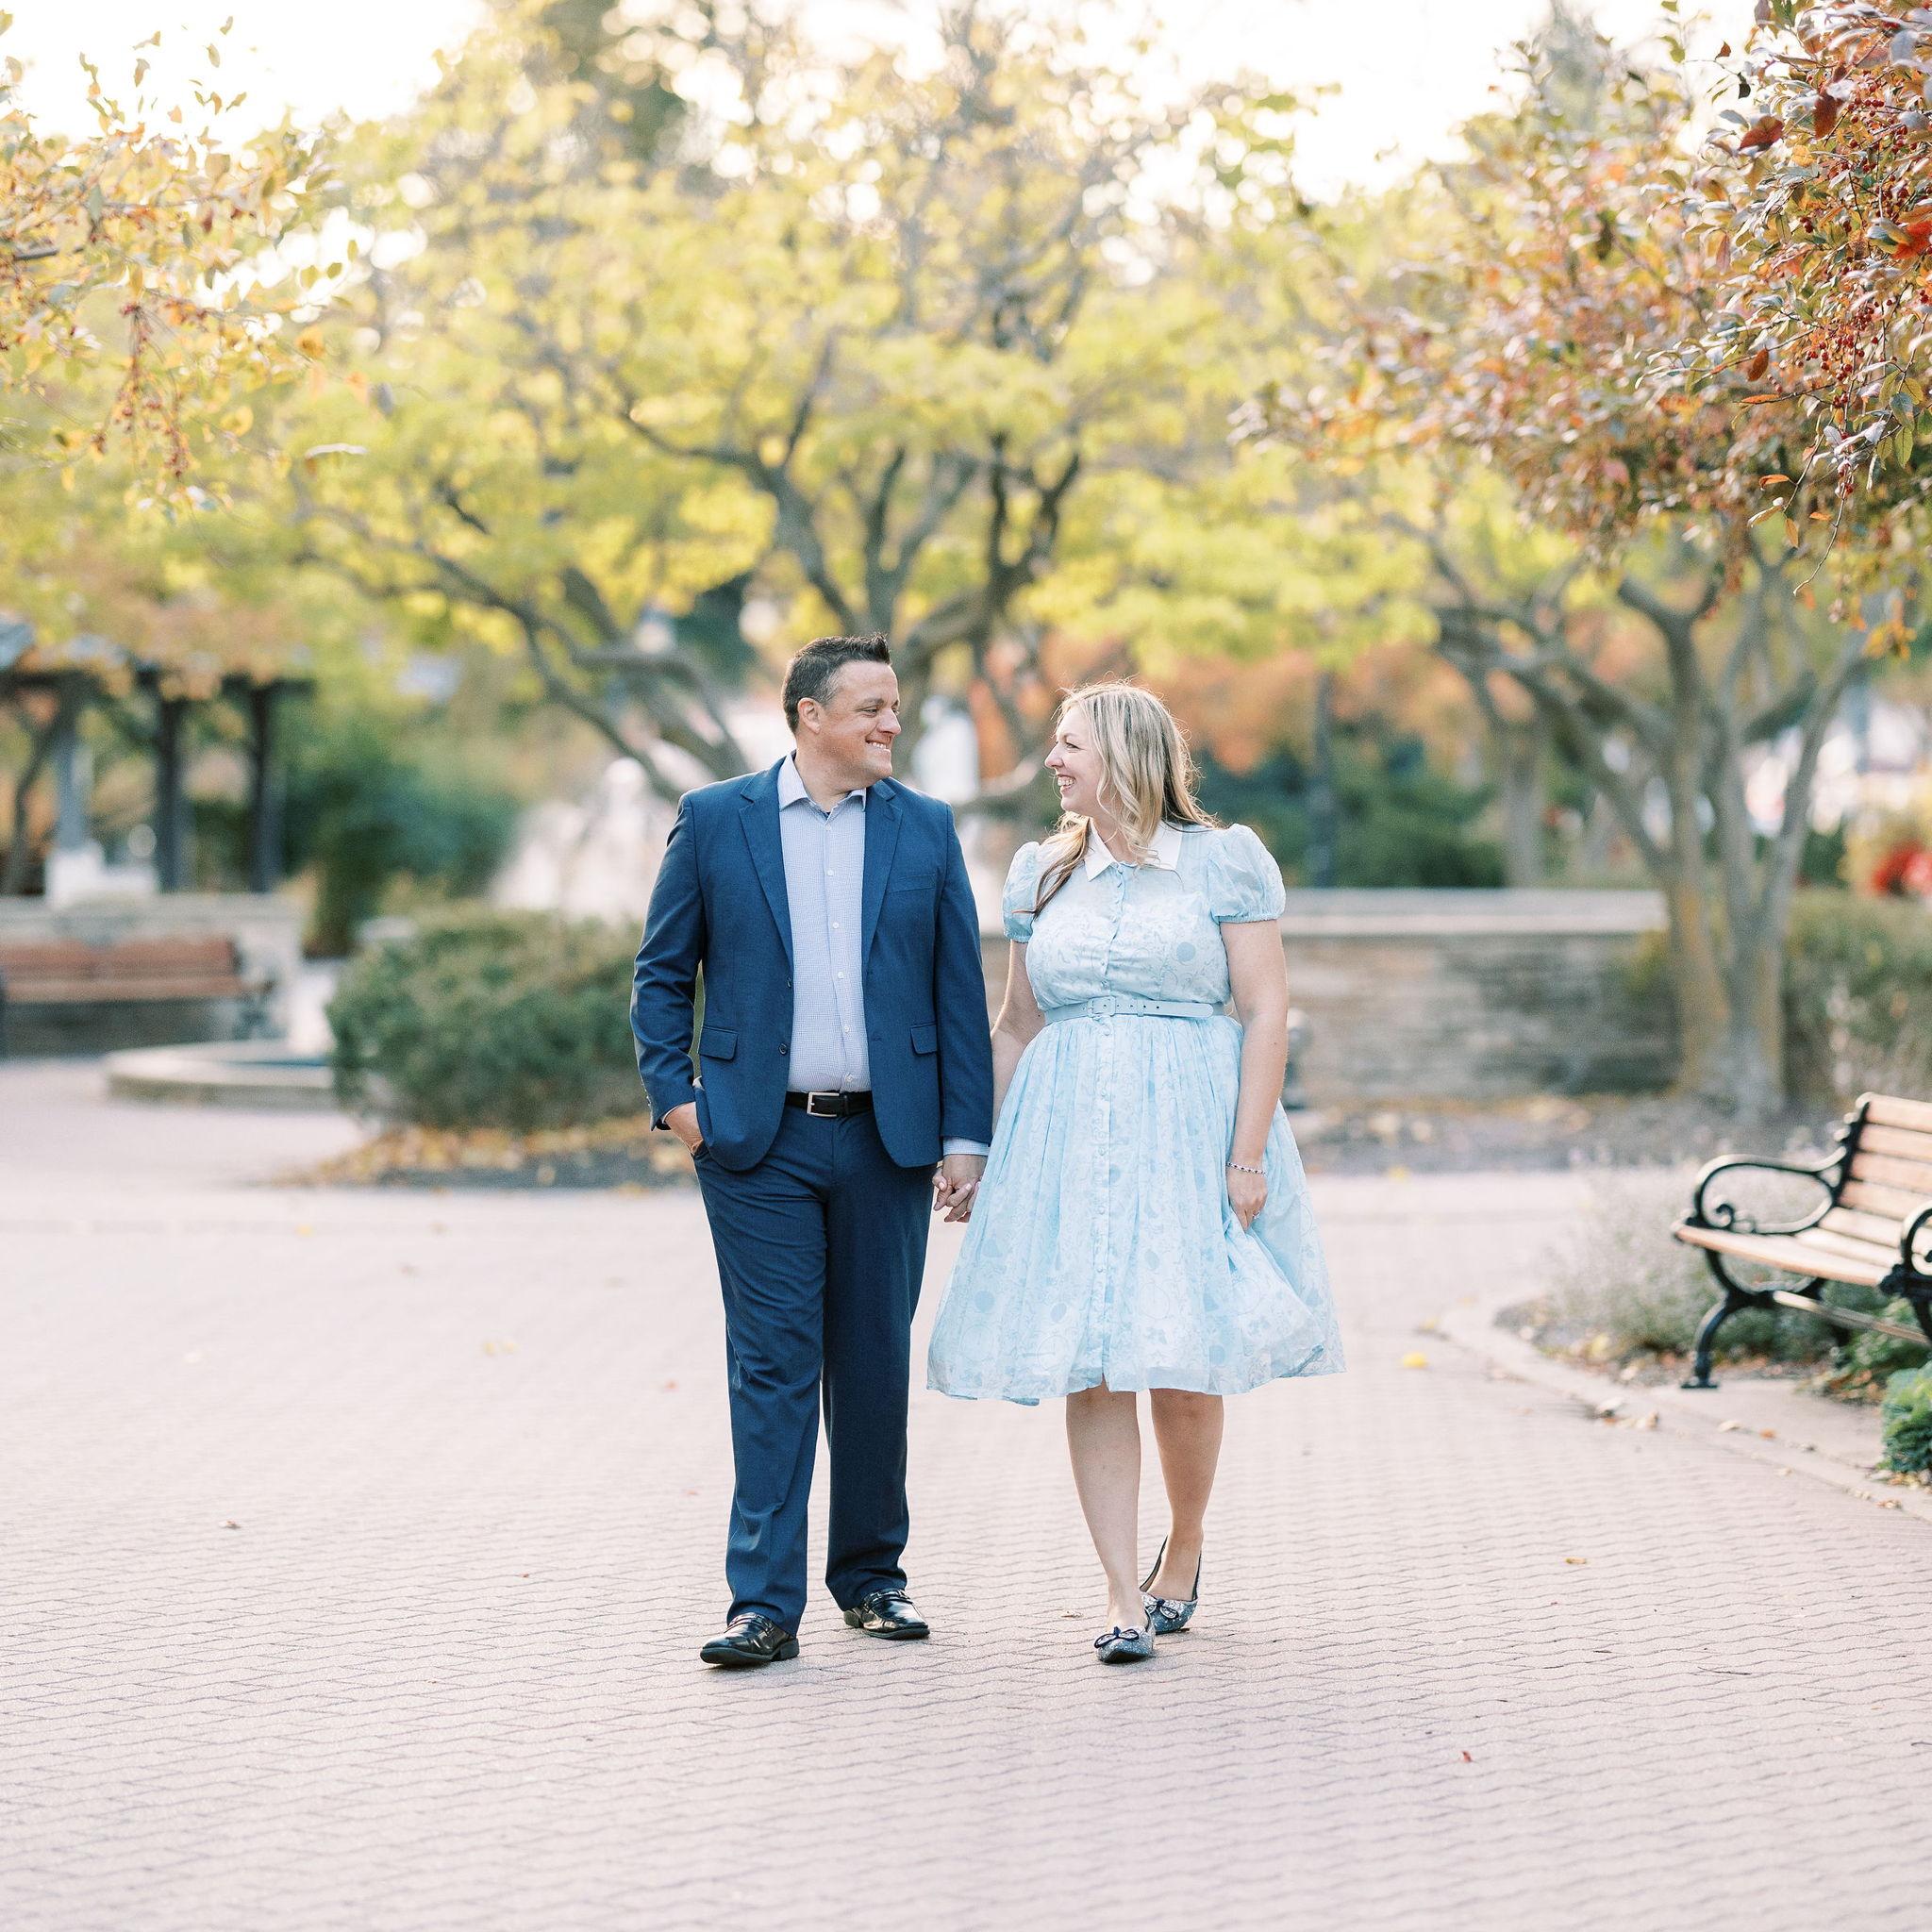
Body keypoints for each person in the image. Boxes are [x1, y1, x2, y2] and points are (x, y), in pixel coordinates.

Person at [926, 682, 1342, 1663]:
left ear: (1120, 751)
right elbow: (1017, 1023)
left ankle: (1184, 1544)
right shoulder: (1040, 874)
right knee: (1094, 1356)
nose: (1052, 762)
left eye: (1067, 745)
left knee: (1184, 1363)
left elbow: (1265, 1010)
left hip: (1191, 1128)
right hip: (1066, 1138)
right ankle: (1118, 1595)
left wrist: (1245, 1155)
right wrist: (974, 1146)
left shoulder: (1218, 862)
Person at [631, 635, 993, 1670]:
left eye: (893, 706)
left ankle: (872, 1578)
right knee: (774, 1363)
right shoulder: (715, 820)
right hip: (756, 1141)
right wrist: (679, 1102)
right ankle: (762, 1603)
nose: (890, 723)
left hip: (888, 1141)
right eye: (871, 706)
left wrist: (965, 1135)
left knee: (873, 1363)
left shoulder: (925, 828)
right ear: (808, 715)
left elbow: (954, 995)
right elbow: (661, 974)